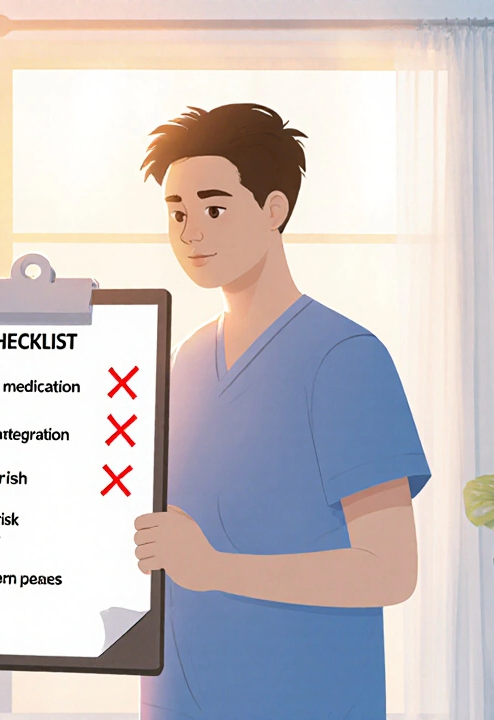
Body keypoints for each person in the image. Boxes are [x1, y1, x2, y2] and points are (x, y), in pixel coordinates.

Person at [131, 104, 432, 719]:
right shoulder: (187, 359)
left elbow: (390, 571)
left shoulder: (344, 359)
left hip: (304, 698)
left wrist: (214, 569)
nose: (191, 233)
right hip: (181, 697)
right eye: (178, 213)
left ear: (274, 209)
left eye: (214, 209)